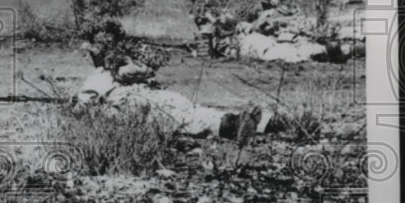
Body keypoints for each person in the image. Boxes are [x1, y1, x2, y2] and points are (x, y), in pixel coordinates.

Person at [76, 65, 274, 142]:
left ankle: (242, 123)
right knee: (192, 115)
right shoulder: (107, 75)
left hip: (144, 101)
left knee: (190, 117)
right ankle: (241, 123)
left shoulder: (103, 76)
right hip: (148, 100)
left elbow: (81, 109)